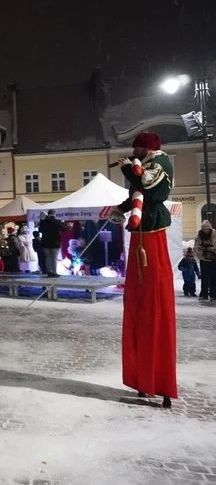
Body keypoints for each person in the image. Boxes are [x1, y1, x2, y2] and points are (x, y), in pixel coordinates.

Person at [113, 131, 176, 408]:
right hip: (140, 233)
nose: (133, 152)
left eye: (137, 148)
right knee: (138, 306)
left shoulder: (159, 165)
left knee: (154, 304)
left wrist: (128, 167)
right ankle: (142, 378)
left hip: (151, 233)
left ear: (146, 149)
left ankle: (158, 381)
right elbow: (138, 192)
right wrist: (121, 208)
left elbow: (147, 187)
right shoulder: (147, 164)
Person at [38, 210, 65, 277]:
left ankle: (49, 272)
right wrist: (63, 223)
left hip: (45, 243)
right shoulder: (57, 222)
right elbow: (64, 229)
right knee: (54, 258)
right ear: (54, 214)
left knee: (47, 258)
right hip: (55, 243)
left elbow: (40, 230)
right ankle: (54, 272)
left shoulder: (43, 222)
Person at [195, 220, 216, 301]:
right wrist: (203, 254)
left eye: (207, 229)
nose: (206, 230)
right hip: (204, 260)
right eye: (204, 229)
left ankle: (213, 293)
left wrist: (211, 249)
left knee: (214, 277)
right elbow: (196, 248)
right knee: (204, 277)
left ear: (210, 229)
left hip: (214, 259)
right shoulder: (198, 236)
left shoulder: (215, 234)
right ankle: (204, 293)